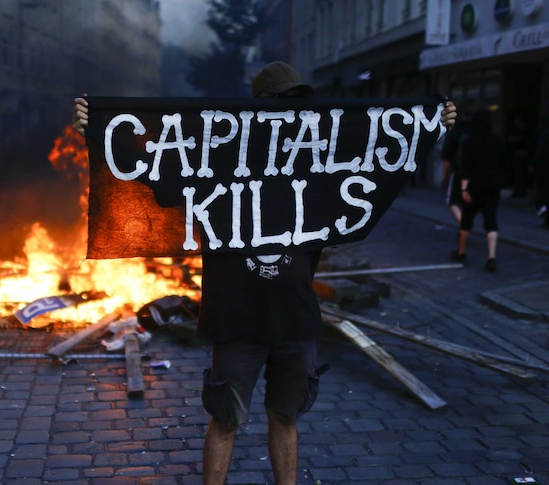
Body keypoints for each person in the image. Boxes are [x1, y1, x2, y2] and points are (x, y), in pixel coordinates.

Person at [72, 62, 457, 485]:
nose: (286, 110)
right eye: (278, 102)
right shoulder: (215, 161)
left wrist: (429, 128)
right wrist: (99, 129)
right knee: (225, 422)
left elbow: (376, 161)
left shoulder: (315, 163)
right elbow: (155, 166)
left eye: (293, 102)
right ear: (254, 109)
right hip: (237, 321)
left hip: (294, 321)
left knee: (285, 418)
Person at [452, 109, 503, 272]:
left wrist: (464, 189)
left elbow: (465, 168)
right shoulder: (497, 141)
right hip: (492, 185)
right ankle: (491, 257)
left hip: (474, 185)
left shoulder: (469, 141)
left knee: (467, 220)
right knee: (491, 220)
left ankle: (461, 252)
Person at [440, 111, 472, 225]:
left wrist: (444, 175)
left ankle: (464, 226)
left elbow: (447, 158)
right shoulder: (475, 133)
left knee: (452, 201)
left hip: (459, 171)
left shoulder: (455, 134)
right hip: (476, 172)